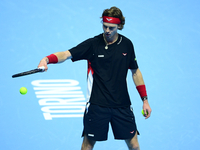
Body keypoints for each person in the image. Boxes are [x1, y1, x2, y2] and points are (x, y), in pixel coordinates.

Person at [38, 6, 152, 150]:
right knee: (87, 146)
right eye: (105, 26)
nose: (107, 31)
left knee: (134, 146)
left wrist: (145, 100)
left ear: (119, 26)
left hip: (122, 104)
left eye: (111, 28)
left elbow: (135, 72)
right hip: (97, 105)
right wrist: (47, 59)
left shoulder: (127, 45)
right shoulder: (93, 45)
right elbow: (67, 54)